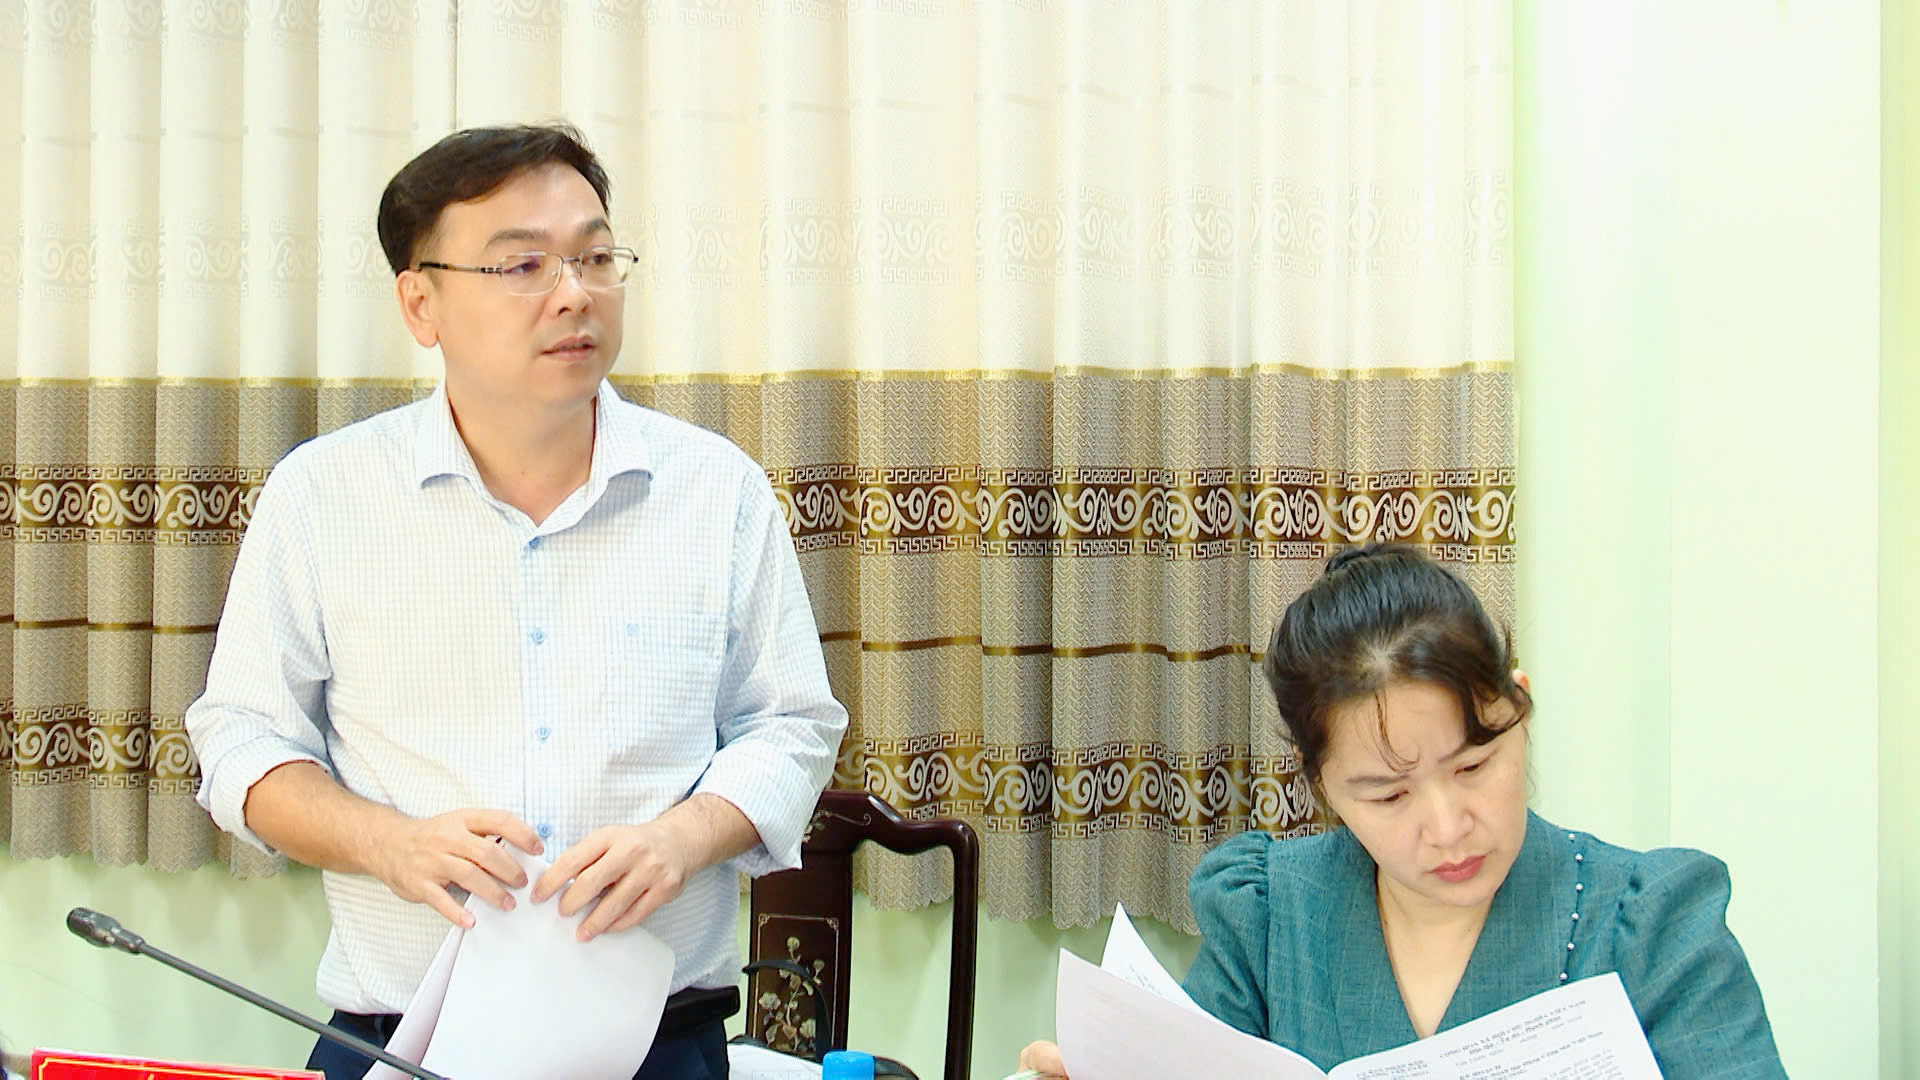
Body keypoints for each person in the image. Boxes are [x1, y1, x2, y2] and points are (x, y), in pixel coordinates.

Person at [185, 124, 847, 1080]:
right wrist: (388, 843)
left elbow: (792, 725)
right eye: (524, 266)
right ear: (421, 304)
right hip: (400, 1040)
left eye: (595, 257)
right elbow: (242, 739)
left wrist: (683, 838)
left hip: (662, 1044)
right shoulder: (322, 496)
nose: (574, 292)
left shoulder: (717, 491)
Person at [1020, 544, 1784, 1077]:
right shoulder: (1268, 918)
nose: (1448, 828)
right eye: (1388, 794)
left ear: (1519, 706)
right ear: (1323, 788)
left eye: (1474, 765)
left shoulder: (1653, 927)